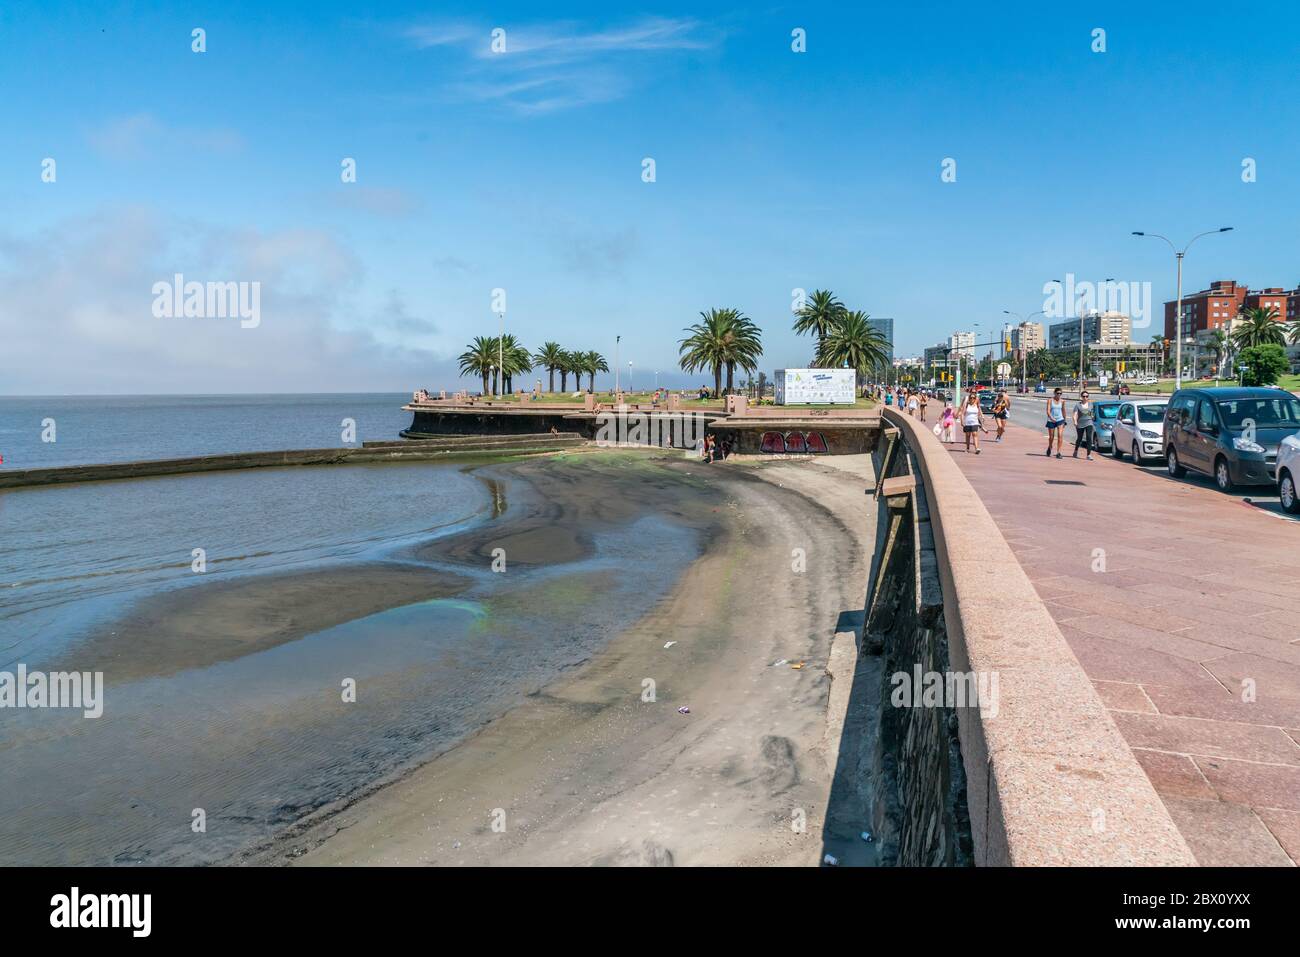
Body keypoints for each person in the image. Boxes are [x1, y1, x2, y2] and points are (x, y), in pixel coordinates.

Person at [1073, 391, 1096, 460]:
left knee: (1089, 437)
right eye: (1084, 396)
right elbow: (1074, 414)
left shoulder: (1091, 404)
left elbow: (1092, 413)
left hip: (1089, 422)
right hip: (1080, 423)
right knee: (1079, 438)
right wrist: (1075, 421)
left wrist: (1092, 416)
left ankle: (1088, 455)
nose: (1085, 398)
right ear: (1081, 397)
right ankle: (1076, 450)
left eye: (1087, 396)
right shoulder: (1078, 405)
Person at [1045, 388, 1066, 458]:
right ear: (1054, 393)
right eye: (1058, 393)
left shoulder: (1062, 401)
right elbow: (1048, 411)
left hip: (1060, 419)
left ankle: (1058, 452)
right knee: (1051, 437)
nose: (1059, 395)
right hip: (1051, 420)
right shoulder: (1050, 400)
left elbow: (1063, 411)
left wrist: (1064, 420)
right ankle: (1050, 447)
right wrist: (1051, 418)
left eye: (1060, 393)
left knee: (1060, 435)